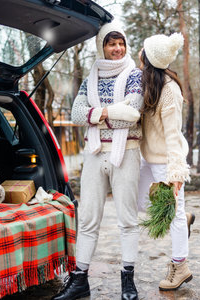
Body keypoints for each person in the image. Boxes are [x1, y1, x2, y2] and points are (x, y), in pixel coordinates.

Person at [52, 22, 143, 300]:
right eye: (111, 43)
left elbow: (133, 112)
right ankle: (80, 280)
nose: (117, 49)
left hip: (125, 152)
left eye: (121, 43)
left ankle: (128, 280)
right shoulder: (91, 76)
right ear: (101, 46)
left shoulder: (135, 75)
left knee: (127, 219)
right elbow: (76, 114)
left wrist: (96, 113)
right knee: (89, 219)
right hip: (93, 154)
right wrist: (107, 112)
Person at [137, 32, 193, 291]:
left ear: (148, 58)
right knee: (137, 200)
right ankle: (181, 216)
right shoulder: (149, 83)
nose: (138, 52)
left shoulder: (169, 91)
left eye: (142, 50)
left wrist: (176, 174)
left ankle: (180, 266)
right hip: (148, 159)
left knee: (176, 216)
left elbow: (173, 136)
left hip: (166, 161)